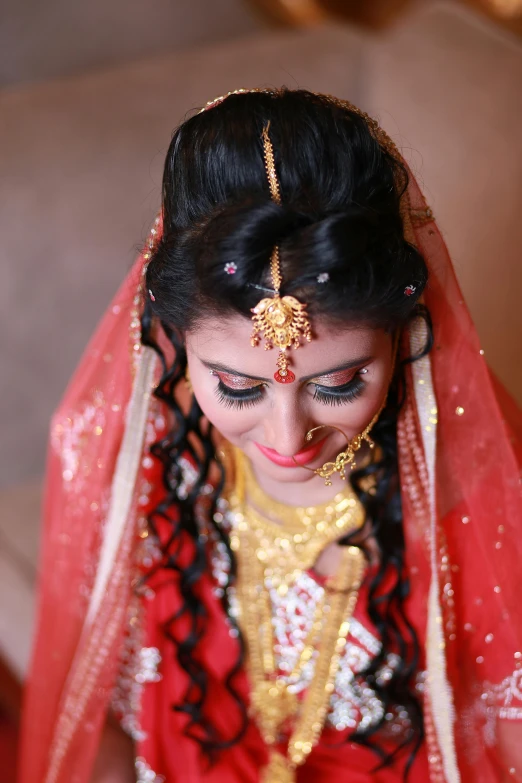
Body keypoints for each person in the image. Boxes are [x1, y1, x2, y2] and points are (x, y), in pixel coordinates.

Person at [18, 88, 522, 783]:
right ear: (173, 339)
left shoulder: (481, 506)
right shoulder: (150, 468)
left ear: (405, 338)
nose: (289, 436)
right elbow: (99, 720)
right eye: (238, 387)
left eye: (339, 383)